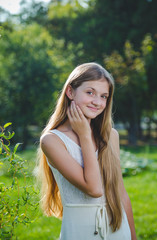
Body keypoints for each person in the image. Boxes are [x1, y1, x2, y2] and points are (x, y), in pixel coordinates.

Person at [38, 62, 137, 240]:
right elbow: (94, 189)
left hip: (118, 230)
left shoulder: (110, 136)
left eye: (104, 96)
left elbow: (121, 194)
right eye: (90, 92)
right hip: (79, 232)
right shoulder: (52, 141)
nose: (97, 102)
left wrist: (132, 236)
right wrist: (84, 135)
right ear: (70, 92)